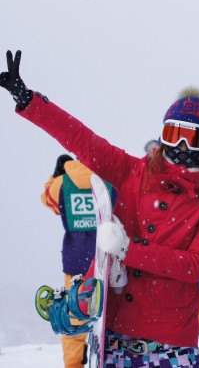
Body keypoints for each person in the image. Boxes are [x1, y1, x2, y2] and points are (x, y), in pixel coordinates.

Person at [0, 50, 199, 368]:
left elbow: (195, 265)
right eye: (173, 134)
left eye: (192, 138)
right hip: (116, 330)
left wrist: (129, 249)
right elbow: (83, 140)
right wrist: (30, 102)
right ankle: (79, 300)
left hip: (172, 339)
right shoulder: (133, 172)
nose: (181, 146)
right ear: (162, 135)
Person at [41, 154, 114, 368]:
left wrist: (55, 176)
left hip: (75, 263)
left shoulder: (62, 184)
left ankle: (74, 363)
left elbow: (46, 199)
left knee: (74, 314)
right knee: (109, 317)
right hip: (104, 261)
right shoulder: (104, 179)